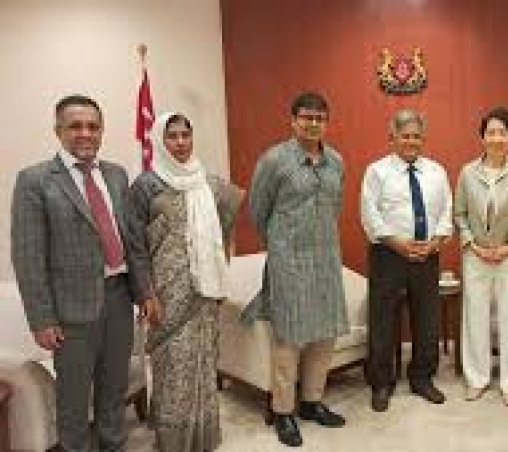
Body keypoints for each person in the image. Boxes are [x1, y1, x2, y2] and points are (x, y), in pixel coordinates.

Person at [10, 94, 156, 451]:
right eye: (75, 126)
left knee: (114, 389)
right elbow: (28, 257)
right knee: (74, 400)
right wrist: (41, 319)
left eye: (93, 126)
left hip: (119, 299)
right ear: (58, 130)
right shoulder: (35, 181)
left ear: (102, 130)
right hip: (70, 312)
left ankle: (113, 445)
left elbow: (132, 241)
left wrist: (145, 292)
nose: (85, 133)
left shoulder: (116, 175)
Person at [126, 112, 243, 451]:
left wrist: (220, 267)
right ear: (160, 141)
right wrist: (146, 293)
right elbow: (134, 245)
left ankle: (203, 435)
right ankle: (173, 440)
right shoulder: (146, 185)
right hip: (165, 291)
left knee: (204, 361)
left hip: (204, 291)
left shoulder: (207, 181)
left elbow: (228, 219)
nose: (180, 143)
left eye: (185, 135)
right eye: (172, 136)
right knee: (173, 363)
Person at [244, 92, 348, 448]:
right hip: (288, 263)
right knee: (288, 339)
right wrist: (282, 243)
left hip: (326, 259)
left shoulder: (336, 161)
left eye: (320, 118)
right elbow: (257, 210)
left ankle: (312, 402)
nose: (313, 123)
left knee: (324, 335)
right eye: (306, 117)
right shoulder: (274, 160)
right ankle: (283, 411)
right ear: (293, 120)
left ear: (326, 122)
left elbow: (335, 206)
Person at [360, 108, 453, 412]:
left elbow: (446, 210)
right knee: (383, 320)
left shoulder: (437, 172)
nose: (411, 141)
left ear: (423, 138)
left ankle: (422, 378)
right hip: (388, 254)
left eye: (416, 136)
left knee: (427, 320)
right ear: (393, 138)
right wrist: (397, 243)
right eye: (405, 136)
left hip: (427, 255)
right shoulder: (376, 172)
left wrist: (435, 242)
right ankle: (381, 383)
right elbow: (369, 215)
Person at [454, 107, 508, 406]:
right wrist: (472, 244)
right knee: (475, 317)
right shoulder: (467, 172)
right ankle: (477, 378)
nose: (497, 138)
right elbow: (459, 214)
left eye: (503, 132)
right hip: (475, 254)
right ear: (482, 137)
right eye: (491, 132)